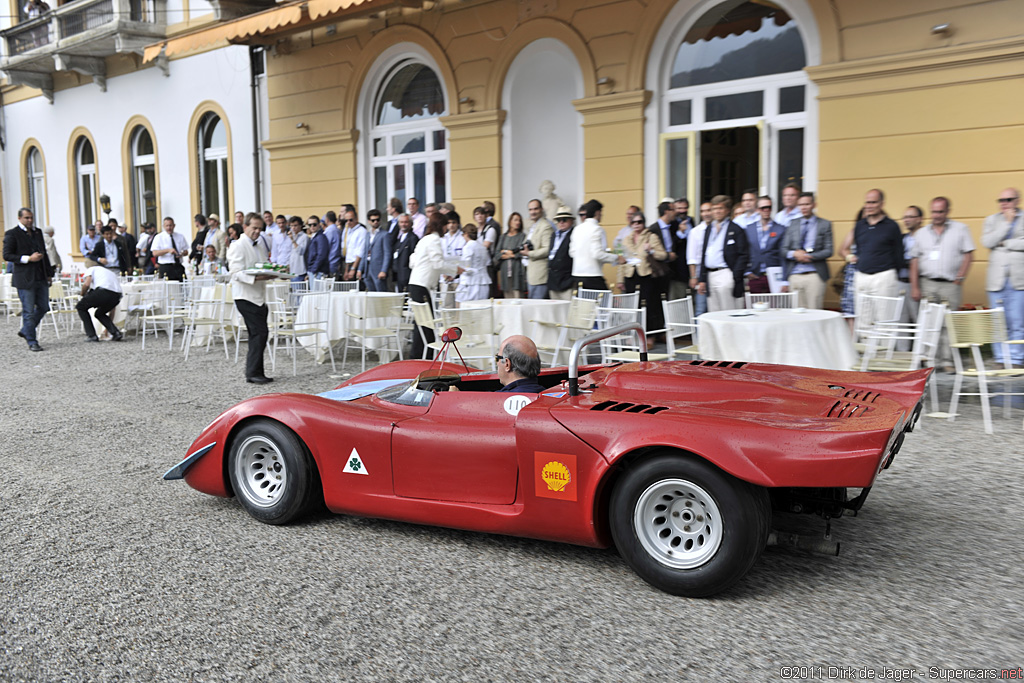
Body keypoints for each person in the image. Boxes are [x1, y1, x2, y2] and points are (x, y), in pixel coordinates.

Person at [910, 196, 974, 370]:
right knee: (929, 322)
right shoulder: (922, 233)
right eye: (933, 212)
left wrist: (960, 278)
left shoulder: (961, 229)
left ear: (947, 211)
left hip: (950, 284)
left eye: (940, 211)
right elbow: (914, 260)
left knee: (948, 324)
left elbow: (968, 255)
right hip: (927, 282)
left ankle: (946, 361)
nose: (936, 215)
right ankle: (930, 360)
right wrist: (915, 286)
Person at [839, 189, 904, 327]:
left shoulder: (892, 226)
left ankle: (883, 349)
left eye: (873, 202)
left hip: (884, 276)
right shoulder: (860, 225)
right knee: (863, 320)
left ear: (882, 204)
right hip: (861, 276)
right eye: (867, 202)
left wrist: (892, 275)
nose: (869, 206)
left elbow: (899, 254)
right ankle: (864, 349)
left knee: (884, 320)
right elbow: (858, 249)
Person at [228, 213, 275, 384]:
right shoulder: (237, 246)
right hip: (245, 296)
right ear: (245, 226)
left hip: (258, 296)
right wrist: (257, 278)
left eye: (259, 229)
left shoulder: (259, 245)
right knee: (259, 333)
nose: (257, 232)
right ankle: (252, 373)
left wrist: (273, 273)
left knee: (261, 334)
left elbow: (263, 266)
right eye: (254, 228)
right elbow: (235, 273)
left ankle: (257, 371)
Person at [981, 188, 1024, 366]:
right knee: (998, 321)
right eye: (1000, 200)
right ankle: (1000, 358)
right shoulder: (991, 220)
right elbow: (987, 242)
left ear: (1017, 200)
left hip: (1018, 280)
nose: (1004, 203)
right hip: (996, 280)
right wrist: (1007, 224)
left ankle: (1016, 358)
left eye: (1008, 199)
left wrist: (1005, 243)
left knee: (1017, 321)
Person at [3, 208, 53, 351]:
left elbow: (45, 254)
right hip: (25, 278)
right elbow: (7, 255)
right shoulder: (12, 234)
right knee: (28, 310)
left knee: (44, 306)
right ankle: (32, 340)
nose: (30, 220)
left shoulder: (37, 232)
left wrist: (49, 273)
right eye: (27, 218)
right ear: (19, 219)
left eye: (31, 218)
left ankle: (26, 330)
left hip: (40, 276)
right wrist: (27, 259)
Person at [408, 215, 457, 359]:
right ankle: (423, 358)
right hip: (422, 284)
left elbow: (413, 261)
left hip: (416, 283)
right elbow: (438, 264)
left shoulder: (424, 239)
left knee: (421, 324)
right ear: (441, 226)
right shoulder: (434, 239)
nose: (446, 229)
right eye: (445, 226)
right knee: (426, 325)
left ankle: (419, 357)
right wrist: (455, 269)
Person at [617, 212, 668, 337]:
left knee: (648, 306)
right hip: (630, 276)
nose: (636, 225)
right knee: (632, 307)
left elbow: (663, 255)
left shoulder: (651, 236)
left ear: (643, 223)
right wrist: (620, 279)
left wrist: (651, 250)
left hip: (646, 275)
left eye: (639, 222)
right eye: (633, 222)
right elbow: (620, 260)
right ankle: (634, 335)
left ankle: (649, 336)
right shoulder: (625, 239)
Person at [781, 192, 833, 309]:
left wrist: (809, 256)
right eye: (801, 205)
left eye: (807, 204)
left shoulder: (824, 224)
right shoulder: (792, 224)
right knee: (796, 314)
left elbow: (829, 250)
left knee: (814, 311)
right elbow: (783, 250)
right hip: (794, 274)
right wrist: (794, 254)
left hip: (814, 274)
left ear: (814, 205)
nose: (803, 207)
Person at [697, 195, 748, 312]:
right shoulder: (709, 228)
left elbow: (743, 255)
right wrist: (702, 279)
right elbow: (704, 253)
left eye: (720, 208)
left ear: (728, 210)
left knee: (728, 311)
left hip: (726, 273)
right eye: (714, 208)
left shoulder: (736, 229)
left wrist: (735, 276)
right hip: (710, 275)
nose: (717, 211)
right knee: (714, 312)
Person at [570, 199, 623, 291]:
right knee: (605, 303)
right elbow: (597, 254)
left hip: (577, 275)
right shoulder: (596, 229)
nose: (602, 215)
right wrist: (617, 258)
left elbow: (572, 252)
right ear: (597, 212)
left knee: (584, 304)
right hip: (593, 275)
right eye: (601, 212)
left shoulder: (577, 229)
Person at [744, 196, 785, 295]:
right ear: (758, 209)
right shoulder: (749, 229)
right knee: (755, 307)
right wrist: (747, 271)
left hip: (774, 275)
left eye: (769, 207)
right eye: (763, 208)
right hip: (755, 275)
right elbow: (744, 252)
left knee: (775, 307)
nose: (766, 210)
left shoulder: (781, 229)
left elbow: (783, 255)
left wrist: (784, 279)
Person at [76, 265, 124, 342]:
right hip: (117, 295)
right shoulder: (109, 272)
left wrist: (82, 294)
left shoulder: (91, 269)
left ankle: (92, 335)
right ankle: (115, 333)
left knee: (80, 306)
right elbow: (113, 309)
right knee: (100, 313)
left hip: (103, 291)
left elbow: (87, 284)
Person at [898, 206, 925, 325]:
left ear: (919, 219)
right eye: (905, 217)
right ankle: (903, 344)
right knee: (900, 319)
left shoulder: (926, 237)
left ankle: (921, 344)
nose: (906, 220)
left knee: (919, 319)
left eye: (910, 217)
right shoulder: (902, 238)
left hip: (918, 283)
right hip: (901, 282)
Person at [522, 198, 553, 300]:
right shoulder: (533, 226)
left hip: (540, 276)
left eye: (535, 209)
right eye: (530, 210)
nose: (533, 212)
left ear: (541, 209)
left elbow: (547, 249)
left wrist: (529, 253)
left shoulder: (545, 226)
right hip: (532, 274)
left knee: (537, 308)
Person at [686, 201, 713, 316]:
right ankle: (698, 334)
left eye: (708, 210)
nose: (706, 213)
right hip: (700, 275)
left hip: (715, 274)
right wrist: (693, 276)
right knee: (700, 309)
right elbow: (691, 257)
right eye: (703, 211)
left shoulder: (719, 229)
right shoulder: (695, 232)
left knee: (714, 309)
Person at [455, 221, 491, 303]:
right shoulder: (482, 247)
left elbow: (466, 265)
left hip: (470, 283)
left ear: (466, 234)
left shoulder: (468, 247)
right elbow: (487, 262)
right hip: (483, 282)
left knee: (463, 307)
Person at [494, 212, 527, 298]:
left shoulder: (522, 236)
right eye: (515, 220)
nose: (518, 222)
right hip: (505, 271)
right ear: (510, 222)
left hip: (517, 270)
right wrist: (511, 253)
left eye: (519, 220)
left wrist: (505, 252)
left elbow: (520, 252)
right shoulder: (503, 237)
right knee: (507, 298)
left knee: (518, 297)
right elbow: (497, 254)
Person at [547, 206, 576, 301]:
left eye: (564, 219)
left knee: (568, 310)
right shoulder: (554, 235)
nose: (561, 222)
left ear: (571, 221)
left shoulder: (574, 234)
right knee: (555, 310)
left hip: (567, 281)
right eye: (559, 220)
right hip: (553, 281)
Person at [359, 209, 391, 292]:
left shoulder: (385, 234)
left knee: (381, 293)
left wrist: (384, 270)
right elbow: (365, 253)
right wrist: (360, 269)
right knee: (371, 293)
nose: (375, 222)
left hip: (378, 269)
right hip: (367, 268)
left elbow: (387, 254)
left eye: (378, 220)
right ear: (369, 221)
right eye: (373, 220)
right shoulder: (367, 234)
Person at [391, 213, 419, 293]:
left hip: (407, 276)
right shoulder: (399, 237)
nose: (403, 224)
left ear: (411, 223)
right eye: (401, 222)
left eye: (406, 222)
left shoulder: (413, 238)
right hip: (398, 274)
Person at [340, 205, 367, 284]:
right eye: (346, 220)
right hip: (348, 264)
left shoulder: (361, 231)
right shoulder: (348, 231)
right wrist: (346, 270)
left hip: (356, 264)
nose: (348, 222)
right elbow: (348, 252)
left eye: (350, 220)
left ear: (356, 219)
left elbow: (360, 252)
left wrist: (353, 268)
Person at [305, 216, 330, 281]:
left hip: (318, 272)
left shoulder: (321, 237)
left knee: (317, 291)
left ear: (319, 224)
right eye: (310, 225)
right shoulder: (314, 237)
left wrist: (313, 270)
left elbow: (321, 255)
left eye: (314, 224)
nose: (312, 227)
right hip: (314, 271)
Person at [287, 216, 310, 284]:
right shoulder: (293, 236)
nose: (293, 228)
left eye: (295, 225)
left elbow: (301, 252)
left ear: (300, 225)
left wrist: (293, 241)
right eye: (291, 226)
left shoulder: (304, 237)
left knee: (299, 292)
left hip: (300, 271)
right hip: (292, 271)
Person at [322, 210, 342, 277]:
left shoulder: (329, 231)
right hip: (337, 262)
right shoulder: (338, 230)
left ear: (327, 220)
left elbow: (325, 247)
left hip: (330, 262)